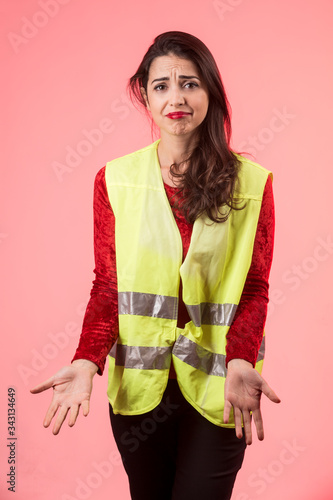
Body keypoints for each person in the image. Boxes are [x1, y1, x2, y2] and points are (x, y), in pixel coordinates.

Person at [31, 31, 281, 500]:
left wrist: (242, 357)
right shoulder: (115, 179)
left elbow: (254, 287)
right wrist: (86, 360)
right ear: (145, 96)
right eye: (161, 85)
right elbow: (108, 285)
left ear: (210, 92)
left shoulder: (253, 183)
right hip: (139, 390)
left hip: (220, 385)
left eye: (190, 83)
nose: (176, 97)